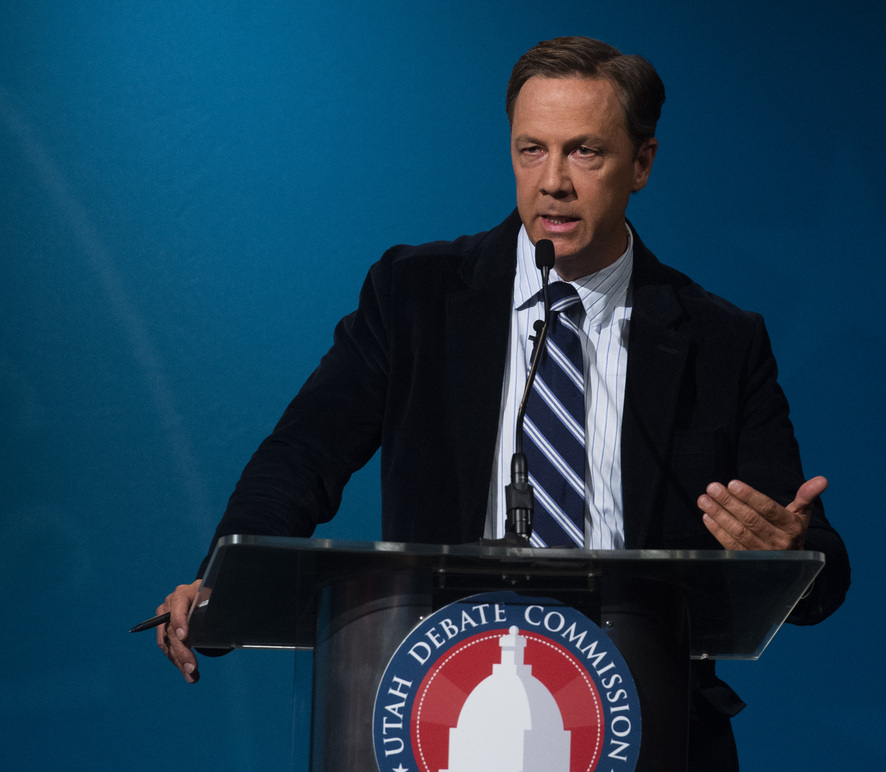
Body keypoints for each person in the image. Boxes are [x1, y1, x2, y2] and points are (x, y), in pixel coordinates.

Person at [156, 36, 849, 769]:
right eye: (531, 150)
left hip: (647, 722)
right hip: (441, 711)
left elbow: (817, 564)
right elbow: (303, 456)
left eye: (584, 152)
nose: (552, 183)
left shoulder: (719, 340)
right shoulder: (415, 297)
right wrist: (220, 583)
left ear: (642, 163)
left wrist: (787, 553)